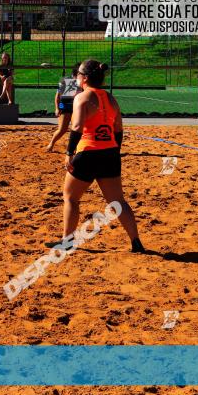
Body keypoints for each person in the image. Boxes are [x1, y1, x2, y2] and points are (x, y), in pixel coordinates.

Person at [60, 59, 144, 253]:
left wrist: (68, 153)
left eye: (79, 75)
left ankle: (67, 241)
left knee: (71, 198)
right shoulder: (111, 98)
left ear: (85, 78)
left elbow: (78, 127)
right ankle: (136, 241)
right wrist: (114, 151)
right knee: (118, 202)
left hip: (88, 152)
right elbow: (118, 129)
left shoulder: (82, 98)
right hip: (110, 154)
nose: (77, 78)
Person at [46, 63, 81, 152]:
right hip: (65, 107)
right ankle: (51, 143)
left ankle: (75, 148)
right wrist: (57, 108)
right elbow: (58, 96)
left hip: (76, 109)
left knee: (76, 129)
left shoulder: (83, 82)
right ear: (77, 72)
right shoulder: (65, 80)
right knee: (62, 129)